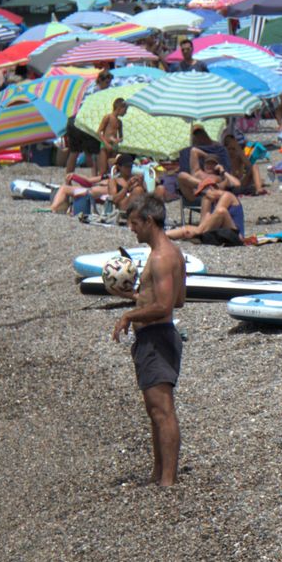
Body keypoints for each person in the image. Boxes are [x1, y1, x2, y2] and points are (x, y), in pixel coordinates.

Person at [112, 196, 188, 487]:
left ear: (149, 221)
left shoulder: (160, 257)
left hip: (157, 338)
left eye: (134, 223)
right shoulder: (171, 252)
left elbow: (166, 306)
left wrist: (130, 314)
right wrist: (136, 296)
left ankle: (168, 480)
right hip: (158, 336)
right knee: (155, 410)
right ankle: (158, 475)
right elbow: (177, 299)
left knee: (162, 410)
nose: (132, 229)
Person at [95, 98, 128, 174]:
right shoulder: (108, 117)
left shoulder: (119, 122)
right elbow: (99, 132)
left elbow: (121, 136)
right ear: (119, 108)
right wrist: (106, 143)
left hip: (113, 146)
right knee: (103, 170)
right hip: (104, 145)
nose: (125, 113)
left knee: (112, 169)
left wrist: (118, 140)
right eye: (125, 110)